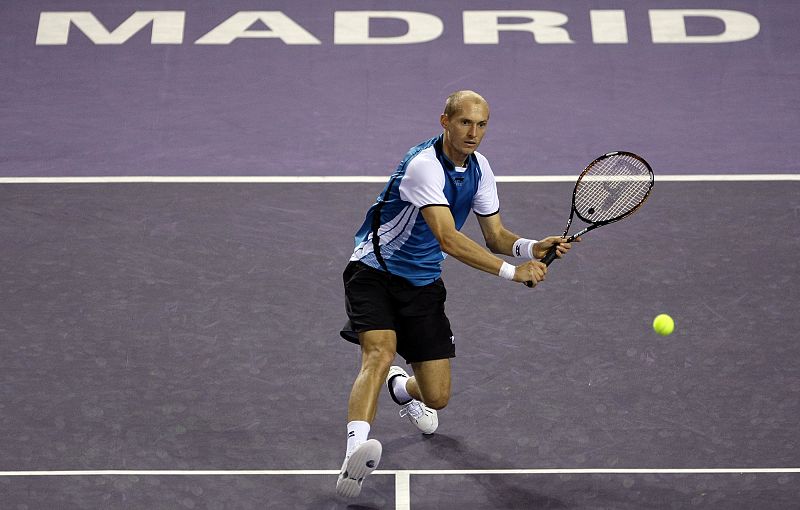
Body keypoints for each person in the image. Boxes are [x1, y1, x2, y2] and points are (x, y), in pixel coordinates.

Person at [335, 90, 577, 498]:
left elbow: (496, 236)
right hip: (373, 272)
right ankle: (353, 456)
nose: (474, 133)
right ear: (444, 121)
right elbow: (447, 237)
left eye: (482, 125)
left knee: (437, 397)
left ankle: (402, 389)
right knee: (378, 353)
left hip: (424, 283)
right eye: (465, 122)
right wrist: (512, 274)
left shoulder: (481, 170)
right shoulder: (423, 167)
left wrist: (532, 247)